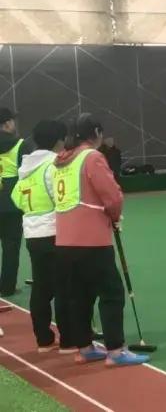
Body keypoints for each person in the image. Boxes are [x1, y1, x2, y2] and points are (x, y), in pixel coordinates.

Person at [54, 113, 149, 367]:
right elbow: (112, 195)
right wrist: (114, 216)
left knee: (79, 295)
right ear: (95, 132)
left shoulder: (61, 161)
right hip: (91, 239)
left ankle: (84, 347)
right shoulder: (92, 157)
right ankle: (115, 351)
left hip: (64, 240)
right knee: (112, 293)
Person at [11, 119, 71, 352]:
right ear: (58, 140)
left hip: (32, 233)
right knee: (64, 287)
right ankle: (68, 340)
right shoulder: (53, 165)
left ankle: (44, 340)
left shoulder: (25, 168)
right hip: (55, 231)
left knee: (41, 287)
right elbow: (62, 197)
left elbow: (16, 198)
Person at [0, 107, 29, 298]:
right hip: (11, 204)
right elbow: (26, 174)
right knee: (11, 247)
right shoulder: (20, 145)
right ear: (7, 124)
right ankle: (7, 287)